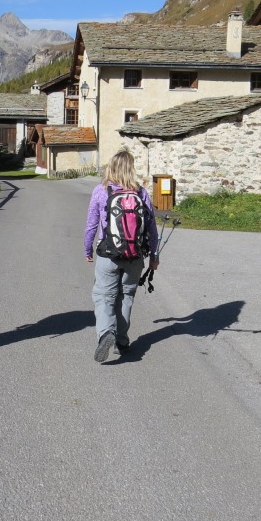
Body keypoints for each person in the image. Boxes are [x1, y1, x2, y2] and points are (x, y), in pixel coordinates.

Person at [84, 149, 159, 362]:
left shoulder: (101, 191)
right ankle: (121, 341)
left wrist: (88, 249)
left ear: (111, 167)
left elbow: (91, 225)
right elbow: (152, 228)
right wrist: (154, 256)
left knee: (104, 296)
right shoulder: (141, 193)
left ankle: (106, 333)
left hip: (108, 254)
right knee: (126, 296)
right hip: (135, 255)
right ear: (131, 169)